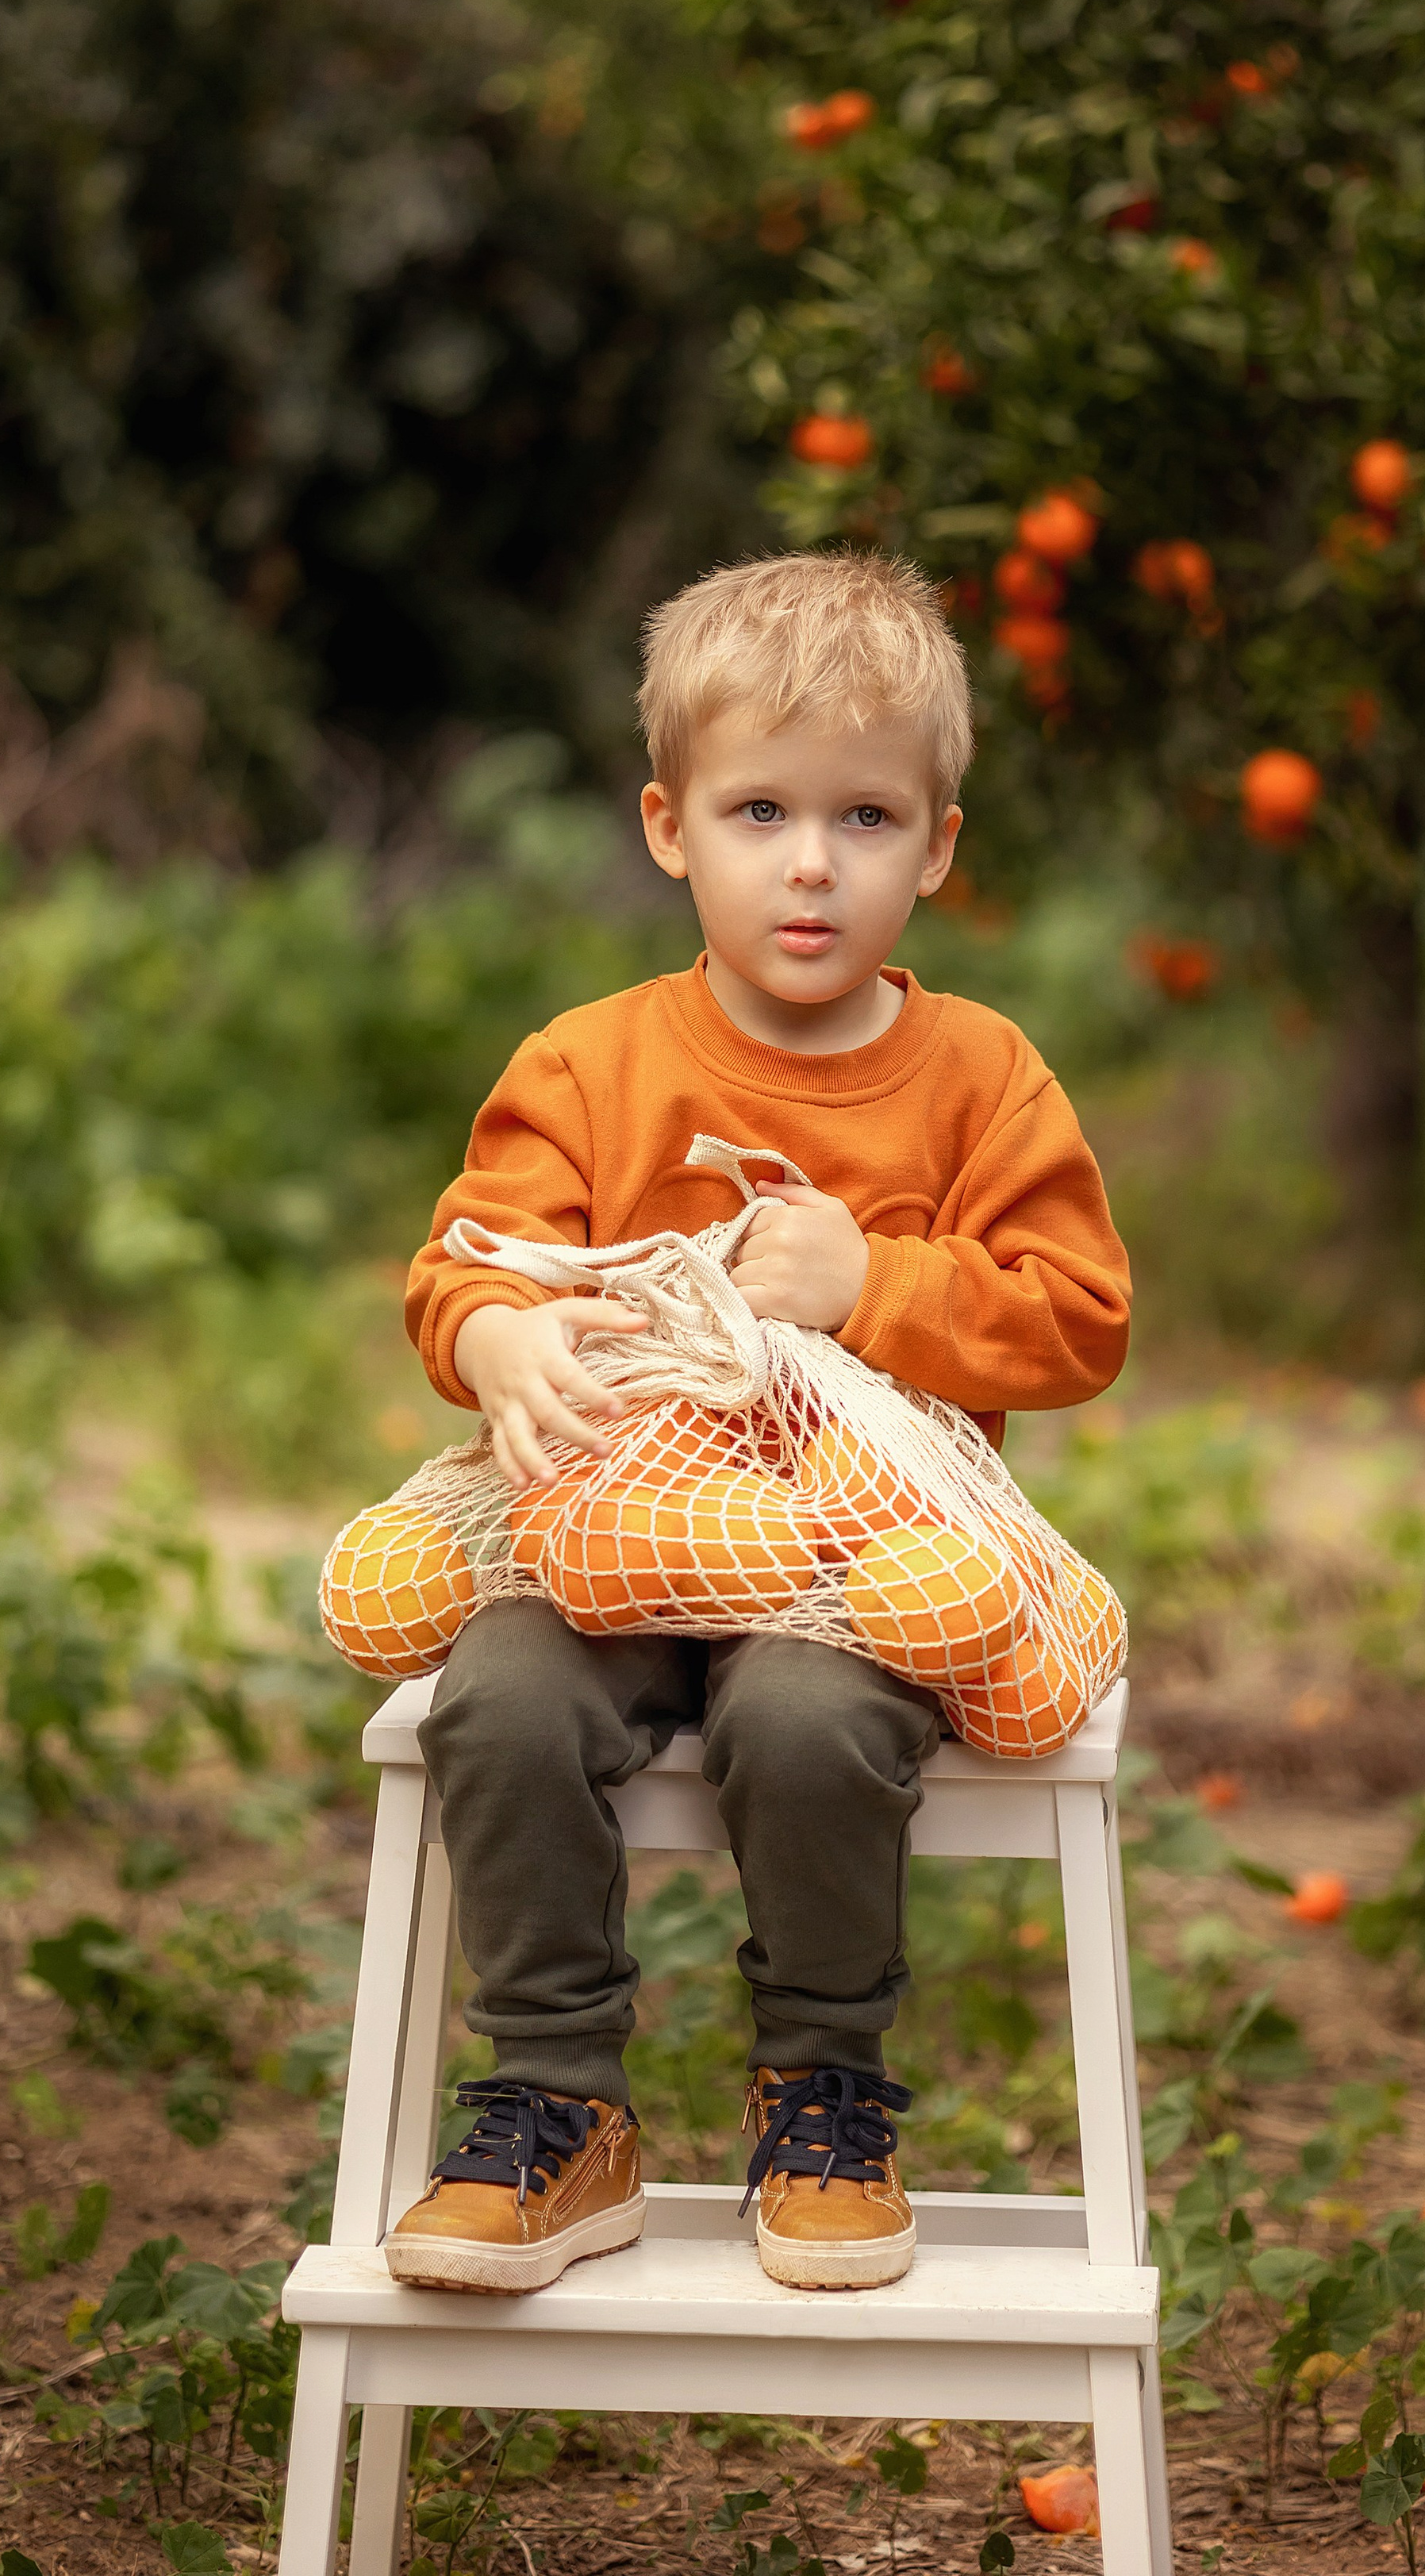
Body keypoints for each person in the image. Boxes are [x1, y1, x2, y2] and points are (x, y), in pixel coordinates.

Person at [381, 548, 1131, 2298]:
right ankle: (557, 2105)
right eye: (760, 811)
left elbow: (1077, 1318)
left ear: (936, 847)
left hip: (857, 1568)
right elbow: (461, 1267)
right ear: (669, 827)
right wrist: (496, 1341)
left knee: (797, 1724)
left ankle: (823, 2093)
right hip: (606, 1548)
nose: (811, 863)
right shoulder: (586, 1065)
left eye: (866, 816)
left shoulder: (980, 1075)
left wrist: (868, 1283)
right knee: (492, 1700)